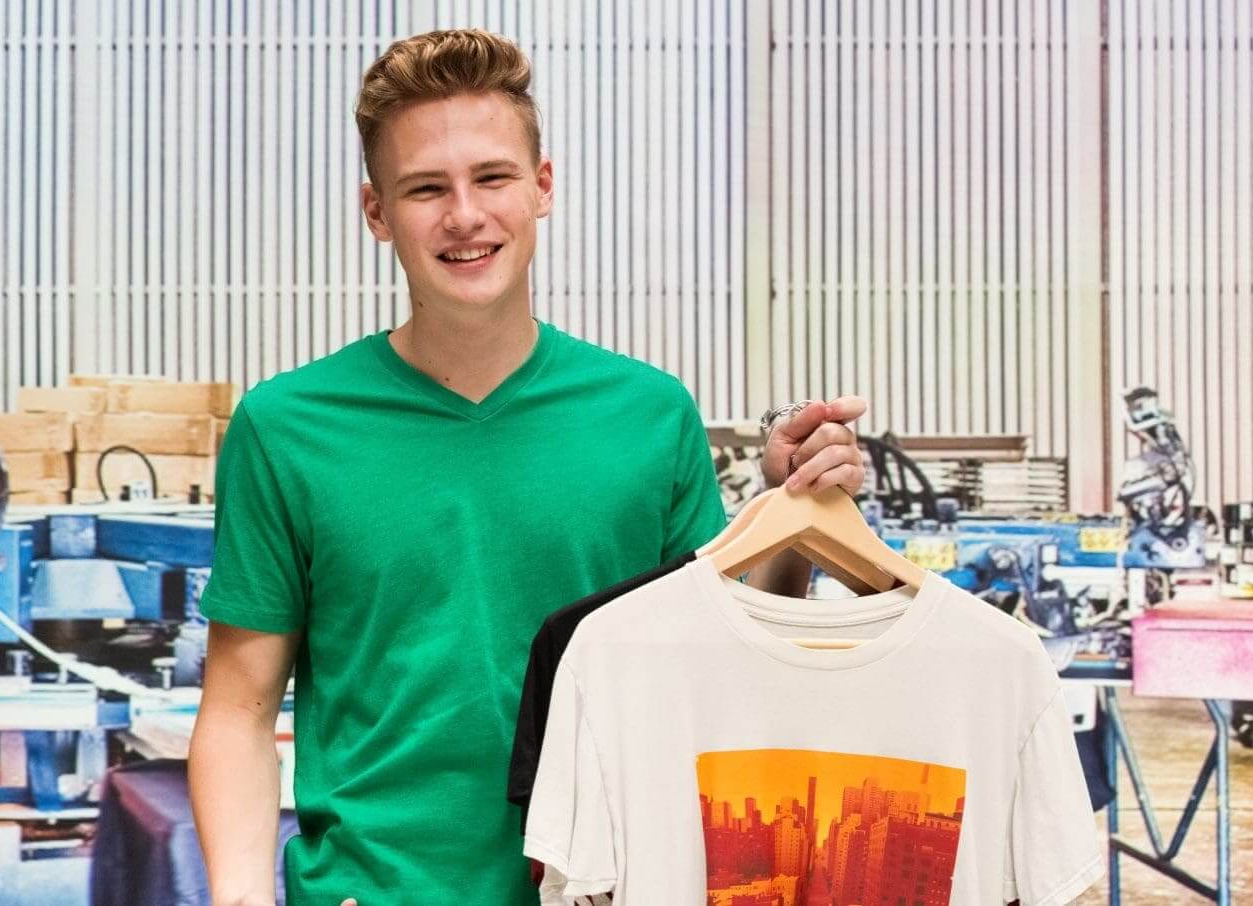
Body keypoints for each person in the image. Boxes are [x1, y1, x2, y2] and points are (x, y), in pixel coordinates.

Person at [186, 28, 869, 906]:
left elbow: (717, 669)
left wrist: (792, 516)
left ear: (542, 186)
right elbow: (239, 710)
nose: (464, 216)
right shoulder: (288, 428)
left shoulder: (648, 415)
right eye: (425, 188)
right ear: (376, 212)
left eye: (492, 178)